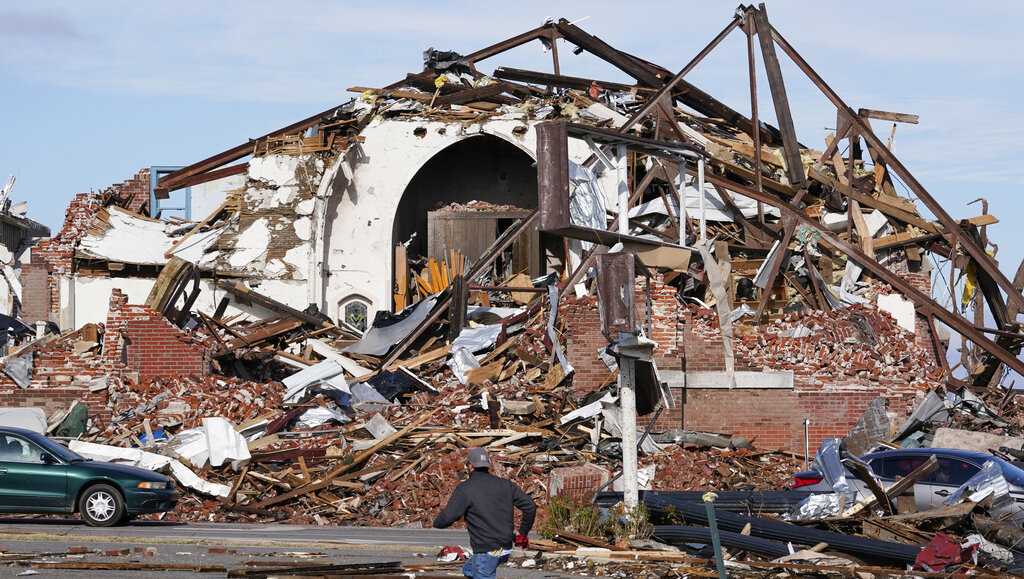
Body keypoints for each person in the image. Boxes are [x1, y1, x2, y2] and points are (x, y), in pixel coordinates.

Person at [433, 448, 536, 578]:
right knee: (469, 570)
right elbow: (530, 506)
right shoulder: (505, 485)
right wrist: (523, 533)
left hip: (486, 551)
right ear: (488, 465)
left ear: (470, 466)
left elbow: (448, 517)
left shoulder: (466, 489)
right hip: (505, 548)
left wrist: (437, 523)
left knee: (481, 567)